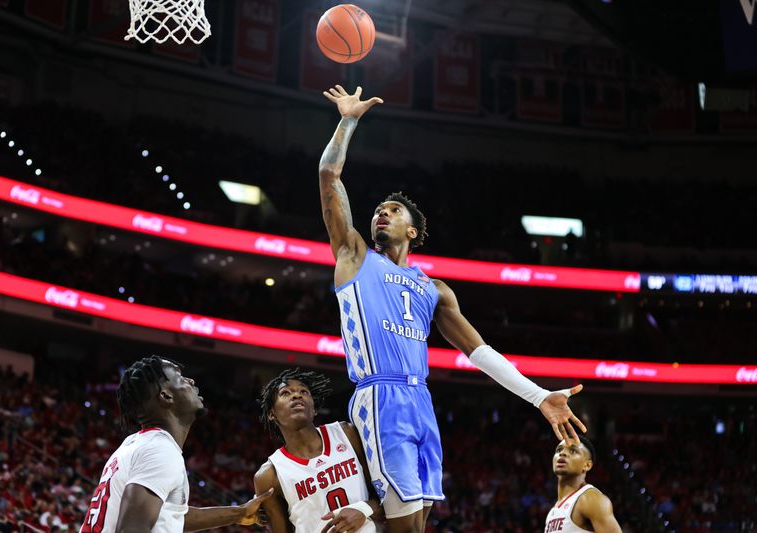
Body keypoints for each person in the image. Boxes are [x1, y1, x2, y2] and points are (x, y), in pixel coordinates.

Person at [318, 85, 587, 532]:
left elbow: (478, 351)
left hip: (420, 399)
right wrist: (348, 121)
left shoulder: (435, 289)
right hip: (379, 394)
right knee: (402, 524)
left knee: (419, 521)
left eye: (393, 211)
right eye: (379, 210)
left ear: (414, 231)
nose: (381, 214)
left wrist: (539, 397)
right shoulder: (354, 256)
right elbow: (329, 177)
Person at [80, 356, 272, 533]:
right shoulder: (159, 450)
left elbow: (171, 516)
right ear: (166, 396)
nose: (191, 381)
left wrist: (239, 513)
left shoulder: (137, 443)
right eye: (180, 378)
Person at [254, 368, 382, 533]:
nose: (297, 395)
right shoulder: (268, 476)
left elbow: (385, 496)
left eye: (304, 392)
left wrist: (365, 509)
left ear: (314, 408)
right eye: (285, 393)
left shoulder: (347, 434)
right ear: (272, 414)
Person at [545, 436, 622, 533]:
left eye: (573, 451)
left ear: (587, 465)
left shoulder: (591, 499)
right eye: (559, 450)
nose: (562, 453)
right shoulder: (554, 510)